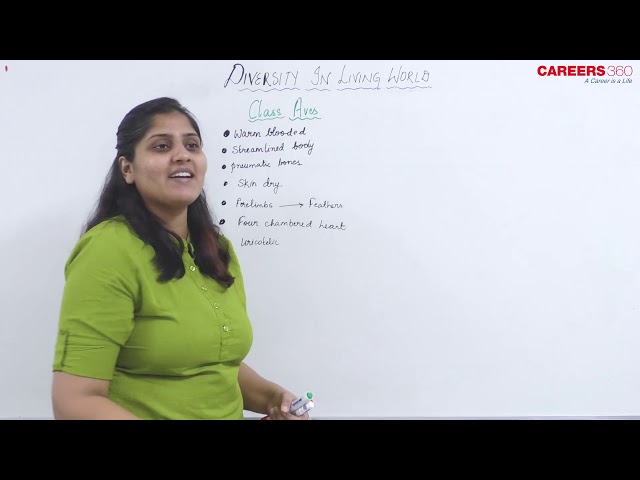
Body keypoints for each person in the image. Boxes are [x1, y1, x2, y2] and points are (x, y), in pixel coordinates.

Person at [51, 97, 309, 420]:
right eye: (161, 146)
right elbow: (75, 402)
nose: (182, 155)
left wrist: (274, 398)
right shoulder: (108, 250)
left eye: (192, 145)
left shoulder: (216, 249)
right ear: (127, 169)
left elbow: (215, 365)